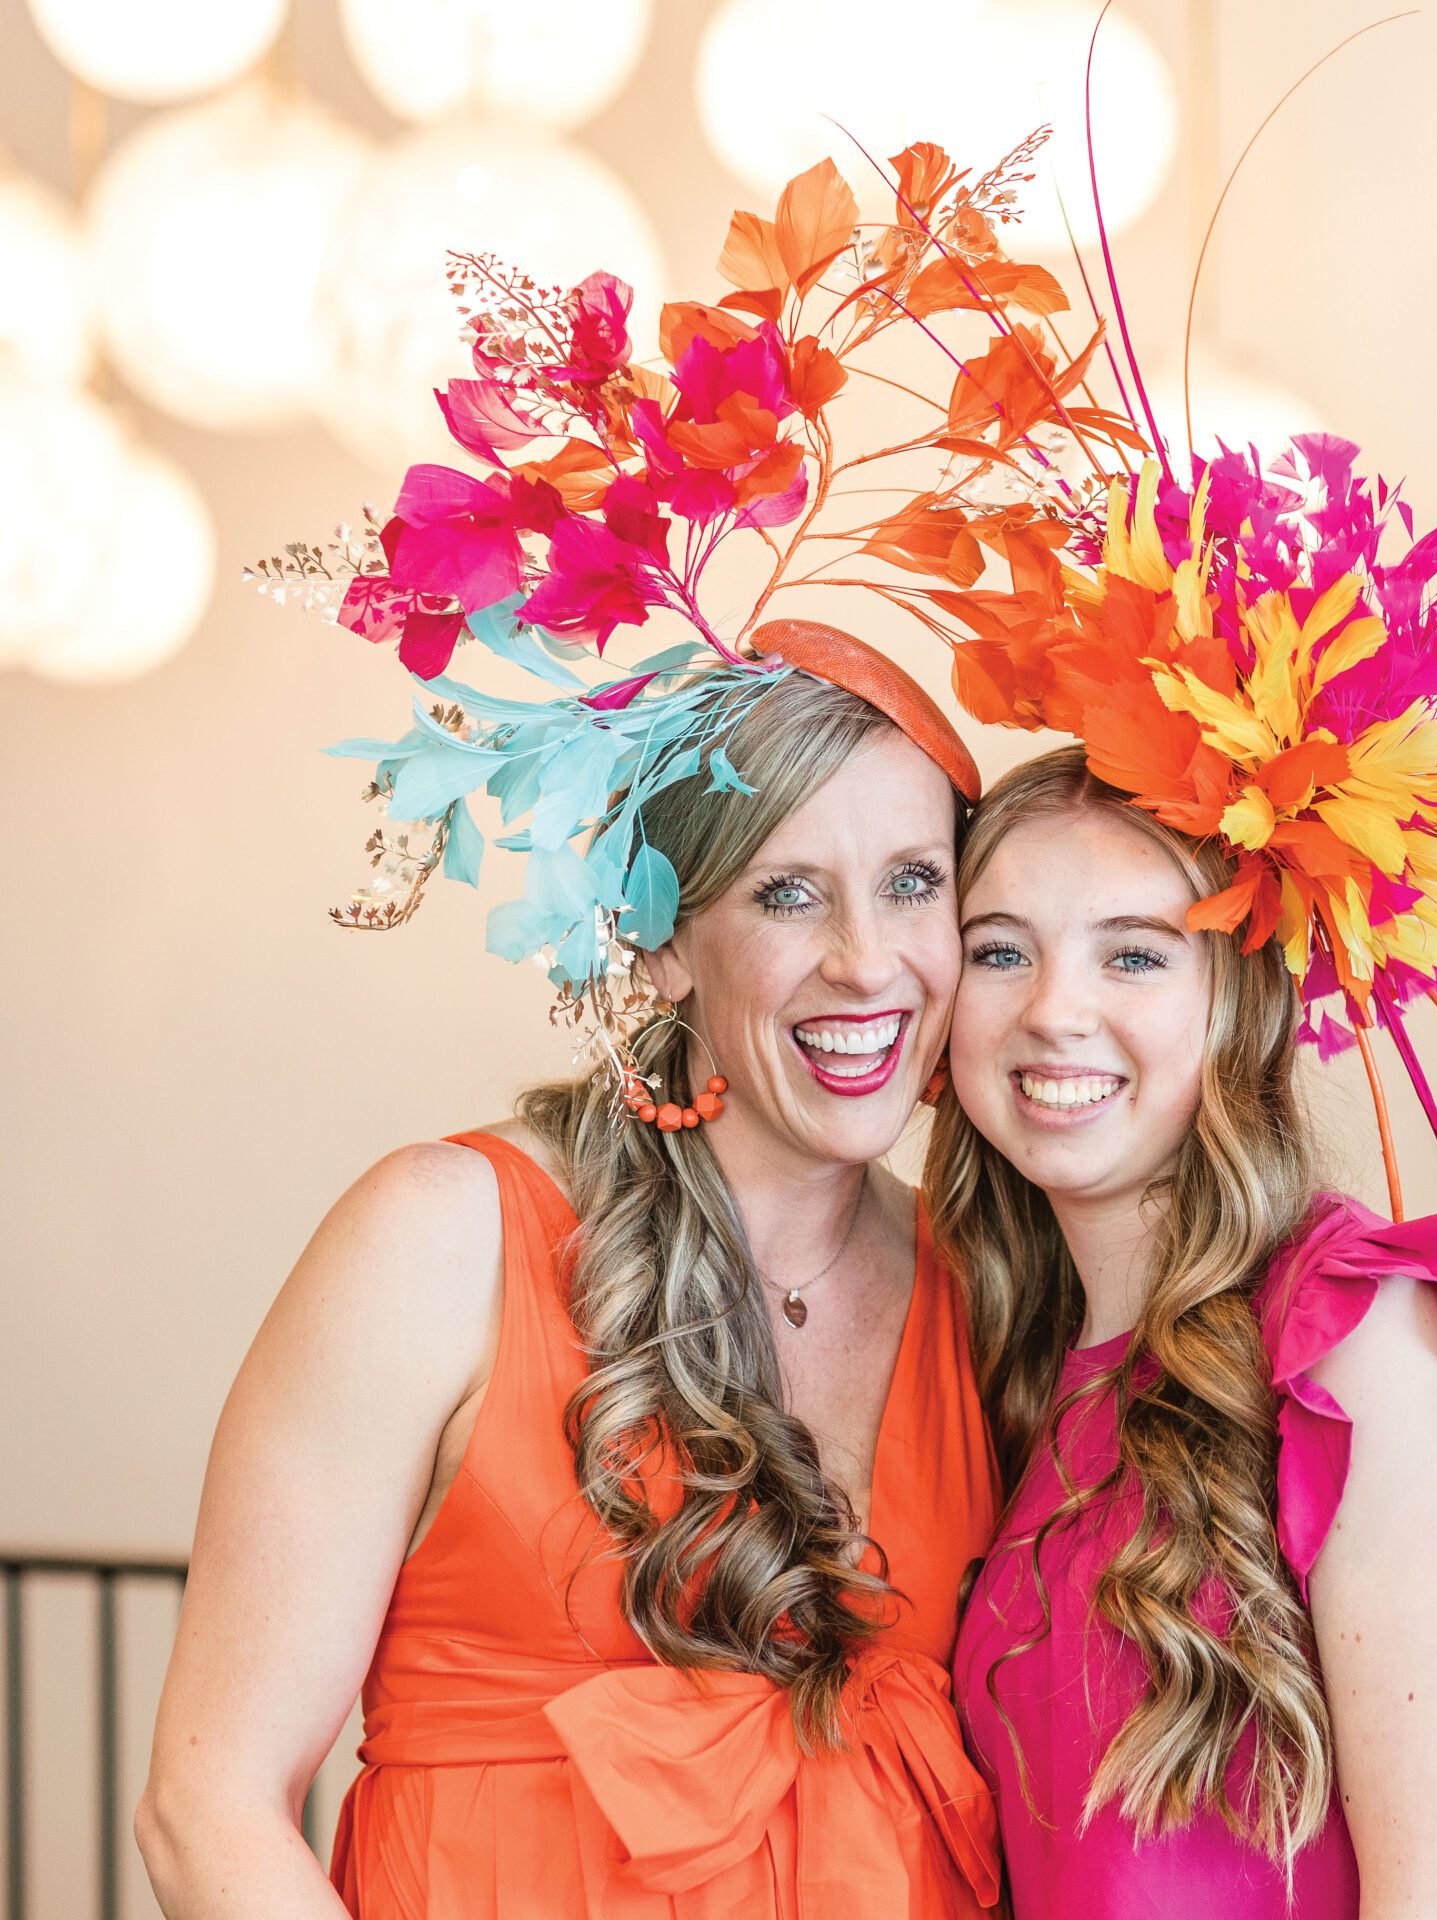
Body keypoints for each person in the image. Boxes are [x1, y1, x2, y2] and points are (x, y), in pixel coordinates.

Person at [139, 141, 1119, 1917]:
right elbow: (208, 1808)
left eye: (912, 886)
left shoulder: (989, 1290)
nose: (868, 966)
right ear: (660, 945)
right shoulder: (443, 1242)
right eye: (787, 894)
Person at [921, 399, 1437, 1913]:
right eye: (1000, 949)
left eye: (1135, 955)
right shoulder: (1027, 1377)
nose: (1055, 1011)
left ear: (1242, 1001)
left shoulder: (1358, 1347)